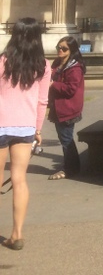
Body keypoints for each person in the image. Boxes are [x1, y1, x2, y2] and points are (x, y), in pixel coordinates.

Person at [0, 18, 52, 250]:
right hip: (25, 128)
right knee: (20, 179)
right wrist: (37, 128)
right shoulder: (44, 65)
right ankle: (17, 233)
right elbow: (42, 101)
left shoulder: (3, 62)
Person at [47, 36, 85, 180]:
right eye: (59, 47)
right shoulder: (58, 63)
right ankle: (72, 166)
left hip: (67, 108)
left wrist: (53, 84)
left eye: (64, 48)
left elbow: (71, 89)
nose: (60, 50)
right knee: (65, 138)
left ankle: (70, 169)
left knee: (66, 138)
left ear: (72, 50)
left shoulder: (74, 67)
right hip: (58, 107)